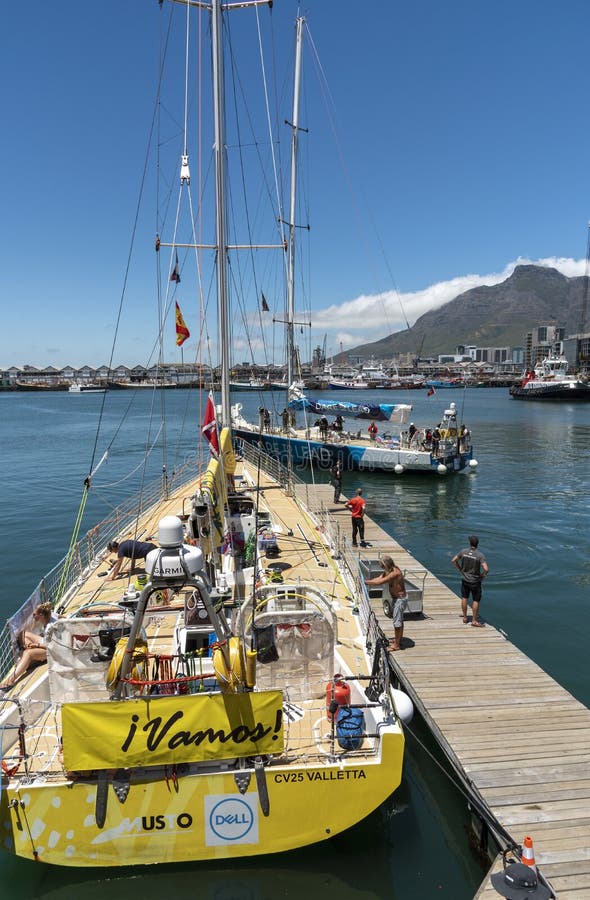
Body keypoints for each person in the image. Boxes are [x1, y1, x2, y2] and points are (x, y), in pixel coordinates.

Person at [1, 602, 57, 689]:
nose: (33, 616)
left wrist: (35, 645)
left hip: (53, 649)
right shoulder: (51, 615)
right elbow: (61, 617)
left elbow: (52, 645)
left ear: (41, 615)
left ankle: (10, 680)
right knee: (23, 634)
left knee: (28, 653)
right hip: (47, 640)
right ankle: (31, 659)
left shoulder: (50, 627)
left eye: (34, 614)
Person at [365, 556, 408, 651]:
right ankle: (398, 640)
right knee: (399, 621)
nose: (382, 568)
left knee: (397, 623)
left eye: (382, 566)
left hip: (400, 600)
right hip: (397, 599)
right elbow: (379, 578)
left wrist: (365, 582)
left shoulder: (395, 573)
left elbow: (380, 582)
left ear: (387, 565)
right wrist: (368, 581)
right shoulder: (389, 570)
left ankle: (396, 645)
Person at [452, 535, 489, 627]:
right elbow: (486, 569)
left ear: (470, 543)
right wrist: (482, 576)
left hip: (465, 579)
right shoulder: (480, 555)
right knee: (476, 600)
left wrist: (460, 569)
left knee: (464, 597)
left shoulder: (463, 551)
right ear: (477, 544)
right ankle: (474, 620)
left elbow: (453, 560)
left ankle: (465, 617)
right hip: (475, 581)